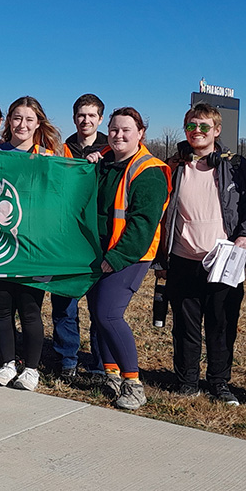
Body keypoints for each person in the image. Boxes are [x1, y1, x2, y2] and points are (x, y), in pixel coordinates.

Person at [153, 103, 246, 404]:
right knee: (185, 327)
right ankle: (187, 381)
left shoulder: (236, 166)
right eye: (191, 125)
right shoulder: (174, 166)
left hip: (223, 262)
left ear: (216, 131)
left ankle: (219, 383)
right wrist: (160, 259)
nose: (197, 131)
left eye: (204, 126)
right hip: (181, 259)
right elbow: (160, 214)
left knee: (222, 324)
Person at [86, 107, 170, 410]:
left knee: (109, 314)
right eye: (114, 130)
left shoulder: (149, 171)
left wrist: (118, 257)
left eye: (126, 130)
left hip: (130, 256)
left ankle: (133, 384)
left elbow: (143, 224)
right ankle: (111, 374)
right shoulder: (105, 163)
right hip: (101, 253)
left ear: (140, 134)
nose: (119, 135)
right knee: (97, 313)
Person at [0, 96, 60, 391]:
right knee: (1, 309)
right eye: (17, 118)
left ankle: (30, 369)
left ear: (38, 123)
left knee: (30, 311)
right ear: (8, 122)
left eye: (29, 119)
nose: (22, 124)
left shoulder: (48, 158)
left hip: (31, 248)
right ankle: (6, 364)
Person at [52, 93, 109, 383]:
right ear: (74, 117)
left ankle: (100, 365)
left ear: (100, 118)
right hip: (66, 237)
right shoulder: (62, 149)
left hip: (98, 239)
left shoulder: (113, 150)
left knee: (100, 307)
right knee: (64, 303)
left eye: (91, 115)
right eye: (81, 115)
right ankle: (67, 358)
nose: (85, 120)